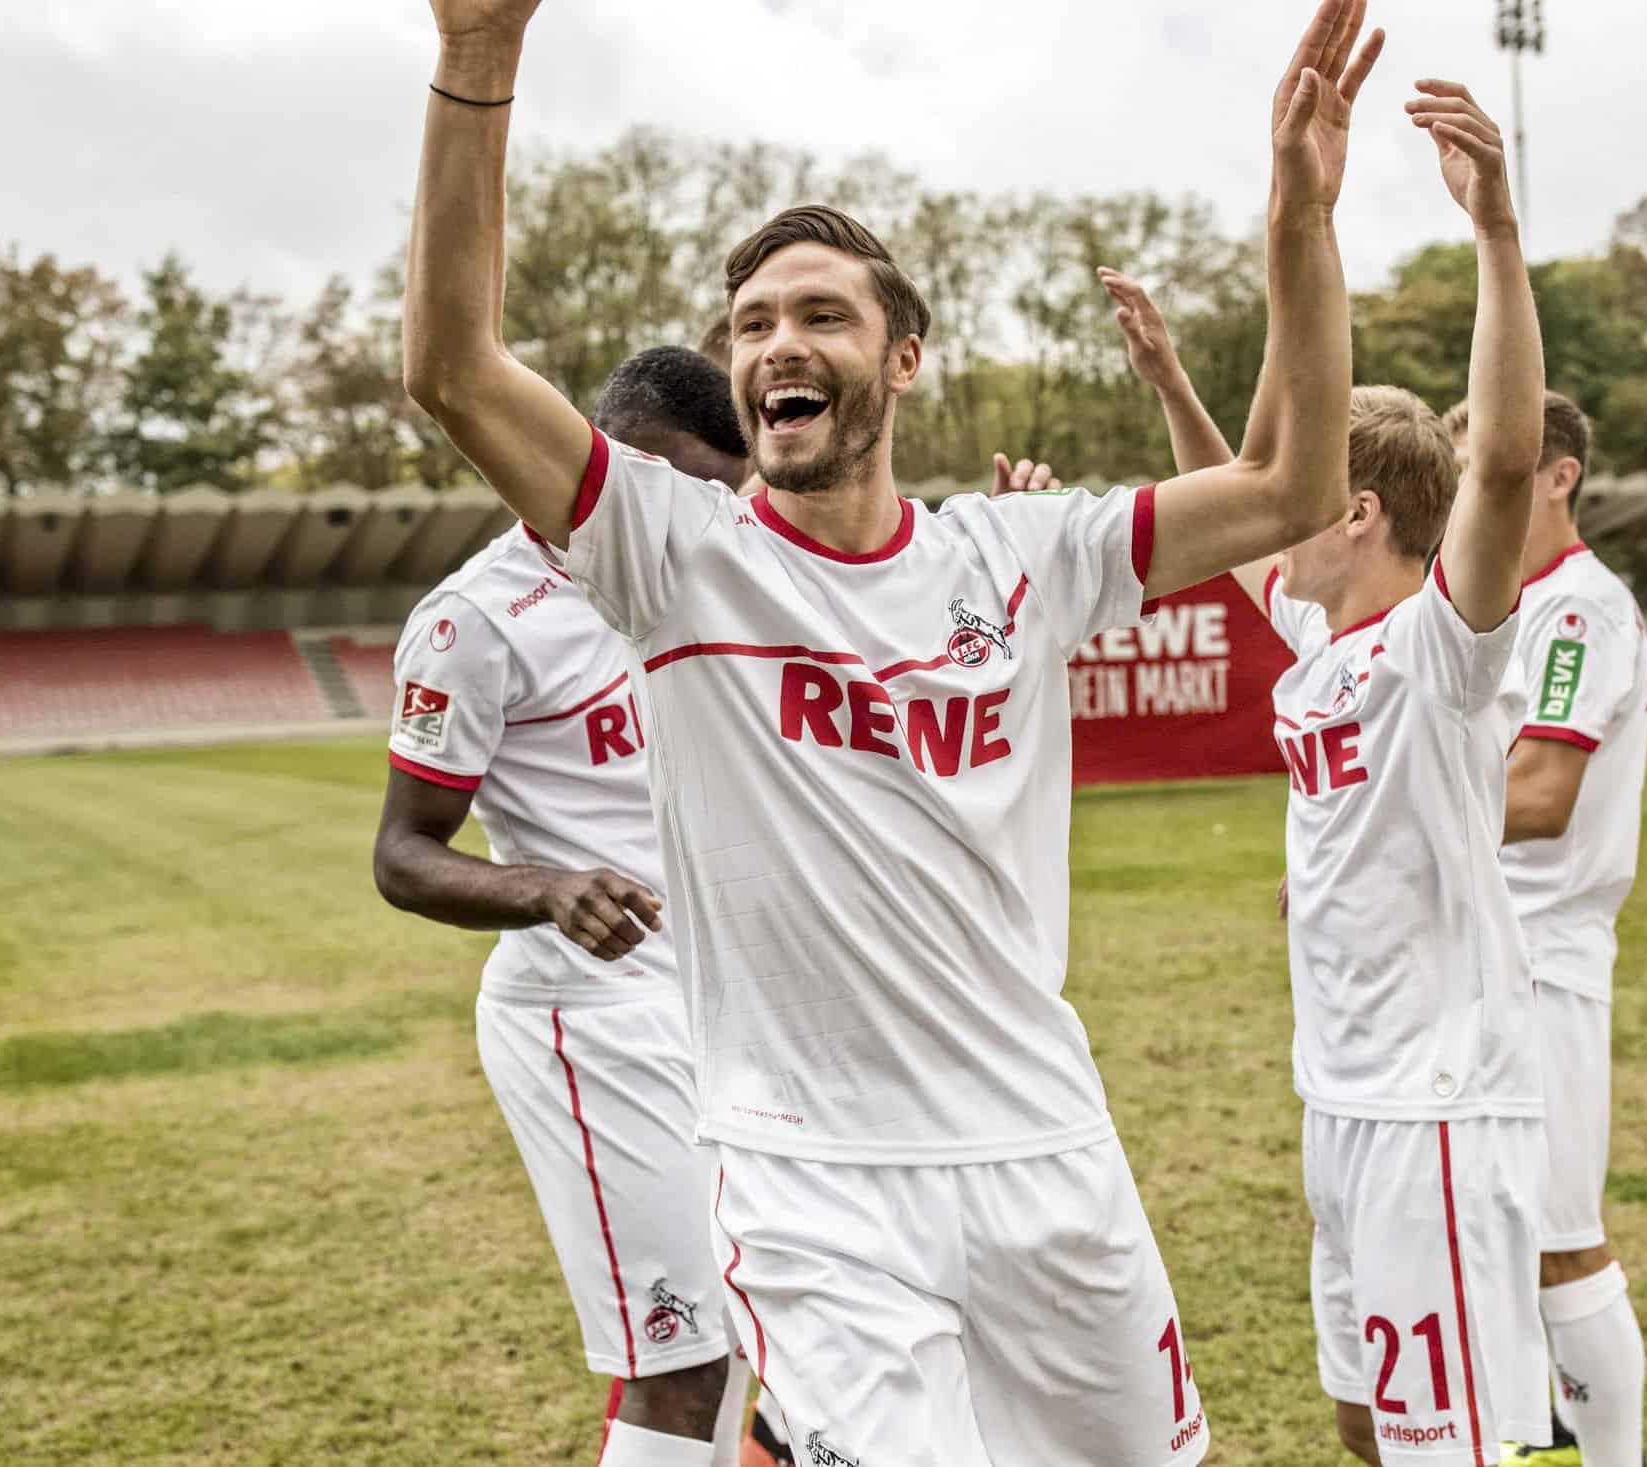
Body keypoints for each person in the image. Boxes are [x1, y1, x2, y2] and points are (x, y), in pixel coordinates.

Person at [398, 0, 1377, 1459]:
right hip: (813, 1186)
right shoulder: (676, 556)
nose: (778, 344)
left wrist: (1301, 217)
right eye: (752, 324)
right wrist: (479, 61)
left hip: (1049, 1155)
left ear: (904, 357)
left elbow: (1297, 486)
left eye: (820, 314)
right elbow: (455, 370)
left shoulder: (1024, 554)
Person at [1153, 78, 1549, 1463]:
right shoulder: (1320, 641)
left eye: (1312, 486)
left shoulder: (1441, 646)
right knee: (1364, 1417)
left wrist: (1497, 229)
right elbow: (1240, 496)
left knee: (1455, 1441)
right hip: (1343, 1098)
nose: (1282, 501)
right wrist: (1170, 385)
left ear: (1363, 511)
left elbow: (1499, 463)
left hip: (1436, 1105)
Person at [372, 345, 753, 1467]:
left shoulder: (715, 571)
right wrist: (545, 886)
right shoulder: (478, 620)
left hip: (726, 1002)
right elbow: (401, 854)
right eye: (690, 483)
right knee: (679, 1362)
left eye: (726, 490)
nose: (713, 512)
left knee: (764, 1325)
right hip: (592, 1023)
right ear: (614, 461)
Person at [1446, 391, 1647, 1467]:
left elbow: (1538, 793)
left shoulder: (1577, 609)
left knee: (1563, 1247)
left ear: (1555, 474)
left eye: (1488, 463)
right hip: (1479, 965)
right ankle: (1539, 1435)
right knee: (1496, 1242)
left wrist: (1384, 830)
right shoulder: (1496, 605)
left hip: (1543, 969)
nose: (1468, 488)